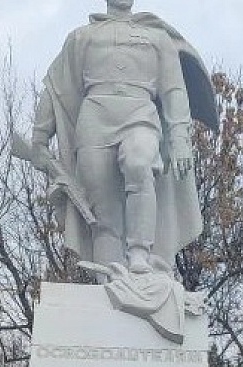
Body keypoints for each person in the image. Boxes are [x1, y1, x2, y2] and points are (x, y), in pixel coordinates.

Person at [26, 0, 218, 339]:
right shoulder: (81, 36)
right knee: (103, 211)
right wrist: (40, 135)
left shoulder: (156, 36)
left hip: (140, 112)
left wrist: (180, 138)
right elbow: (56, 86)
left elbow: (174, 91)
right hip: (95, 116)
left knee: (141, 163)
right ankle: (109, 282)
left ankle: (141, 256)